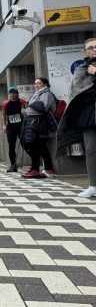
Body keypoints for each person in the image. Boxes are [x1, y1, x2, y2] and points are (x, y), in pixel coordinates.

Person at [57, 38, 96, 197]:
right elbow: (78, 90)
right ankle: (93, 185)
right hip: (88, 113)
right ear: (85, 51)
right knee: (91, 150)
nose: (94, 49)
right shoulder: (81, 69)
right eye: (90, 47)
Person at [21, 78, 57, 179]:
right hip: (34, 123)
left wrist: (27, 111)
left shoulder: (47, 94)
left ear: (45, 84)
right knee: (38, 146)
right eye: (35, 83)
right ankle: (37, 168)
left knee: (39, 146)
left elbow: (43, 108)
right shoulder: (37, 94)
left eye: (39, 83)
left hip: (41, 123)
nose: (36, 85)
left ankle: (39, 169)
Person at [2, 87, 27, 172]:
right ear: (9, 94)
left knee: (25, 144)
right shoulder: (5, 103)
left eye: (14, 93)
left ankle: (35, 163)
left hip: (21, 126)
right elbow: (4, 115)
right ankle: (13, 165)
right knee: (11, 146)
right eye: (11, 93)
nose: (12, 94)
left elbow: (26, 112)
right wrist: (4, 125)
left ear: (17, 93)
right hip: (11, 127)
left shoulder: (21, 101)